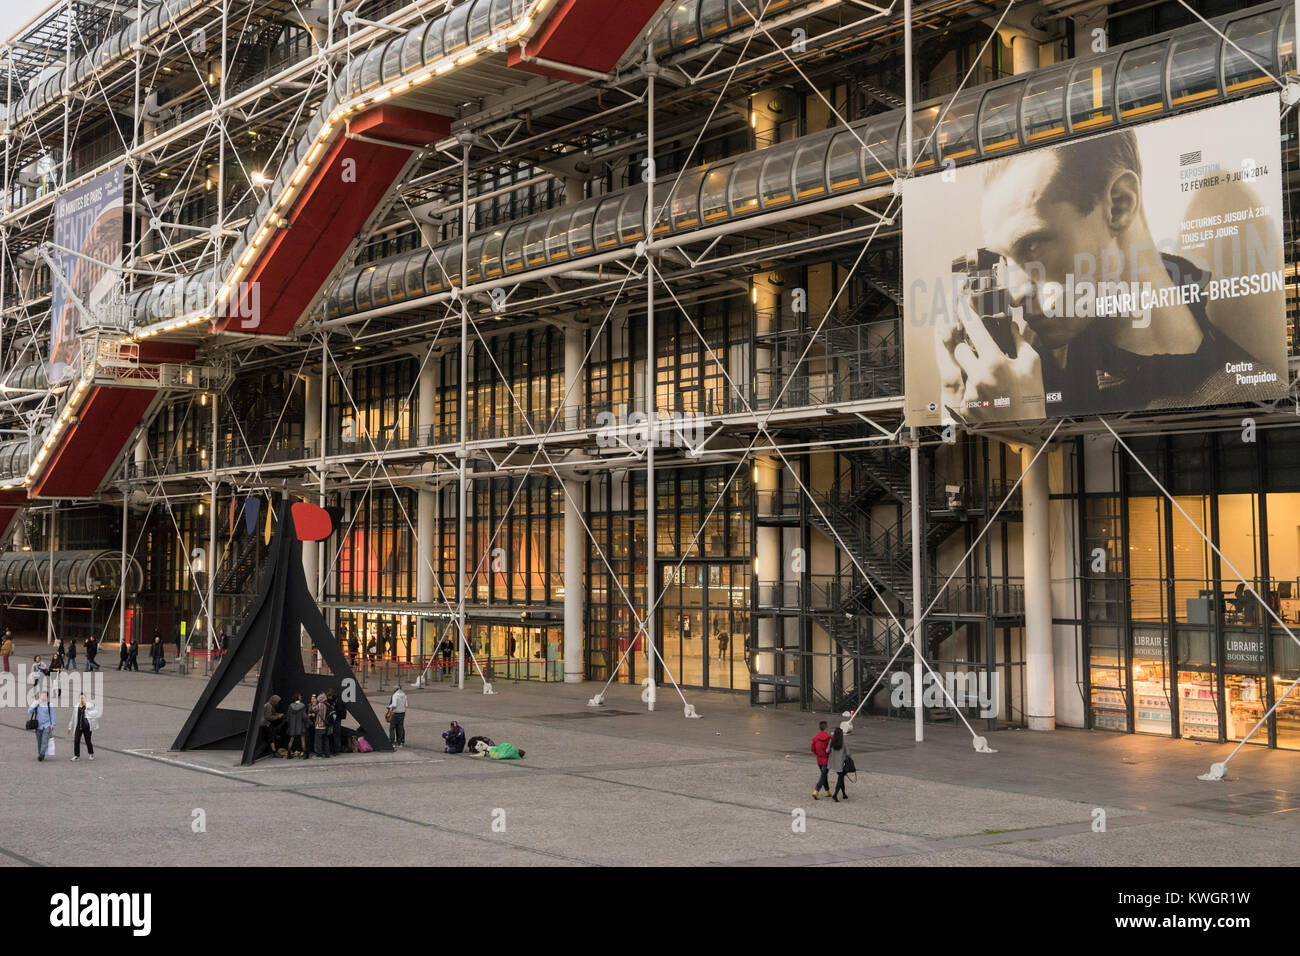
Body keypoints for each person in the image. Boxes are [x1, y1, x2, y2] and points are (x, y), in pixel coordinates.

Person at [936, 129, 1283, 422]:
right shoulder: (1037, 369)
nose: (1013, 293)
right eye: (1003, 258)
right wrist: (953, 388)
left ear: (1119, 204)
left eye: (1032, 246)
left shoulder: (1253, 399)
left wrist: (1029, 429)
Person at [67, 692, 99, 761]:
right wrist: (70, 727)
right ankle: (76, 755)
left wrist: (88, 712)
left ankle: (91, 754)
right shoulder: (76, 707)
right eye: (81, 698)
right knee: (76, 740)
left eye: (83, 698)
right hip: (78, 726)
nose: (82, 699)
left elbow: (96, 713)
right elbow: (73, 717)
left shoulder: (89, 706)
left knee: (88, 740)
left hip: (87, 726)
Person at [27, 691, 55, 761]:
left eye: (44, 696)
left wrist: (53, 725)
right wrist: (35, 705)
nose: (43, 697)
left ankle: (42, 755)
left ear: (47, 697)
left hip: (47, 725)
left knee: (44, 740)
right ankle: (40, 754)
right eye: (42, 696)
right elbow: (29, 711)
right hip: (38, 726)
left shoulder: (49, 705)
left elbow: (52, 715)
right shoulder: (36, 703)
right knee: (39, 741)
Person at [827, 727, 851, 802]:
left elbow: (827, 750)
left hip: (833, 763)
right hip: (841, 764)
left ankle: (844, 794)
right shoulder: (843, 743)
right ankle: (835, 794)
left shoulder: (831, 741)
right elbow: (848, 753)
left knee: (841, 779)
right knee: (840, 779)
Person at [810, 720, 831, 800]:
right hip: (827, 759)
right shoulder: (829, 738)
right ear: (826, 728)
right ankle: (816, 791)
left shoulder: (815, 738)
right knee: (823, 775)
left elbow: (812, 749)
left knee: (824, 775)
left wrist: (818, 754)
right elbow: (830, 749)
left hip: (819, 759)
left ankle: (828, 791)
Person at [286, 692, 308, 758]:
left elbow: (288, 717)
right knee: (303, 739)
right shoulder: (303, 705)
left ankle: (289, 754)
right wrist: (309, 722)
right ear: (298, 697)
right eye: (300, 696)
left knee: (291, 739)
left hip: (293, 726)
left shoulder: (290, 706)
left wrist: (290, 725)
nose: (301, 697)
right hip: (301, 726)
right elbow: (304, 717)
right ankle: (304, 755)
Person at [327, 688, 346, 754]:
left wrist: (333, 712)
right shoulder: (334, 700)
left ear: (332, 695)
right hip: (335, 719)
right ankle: (334, 749)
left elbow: (339, 709)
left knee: (336, 735)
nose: (328, 698)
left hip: (337, 719)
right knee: (334, 735)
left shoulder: (338, 700)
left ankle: (337, 750)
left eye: (329, 696)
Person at [312, 692, 331, 758]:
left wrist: (314, 703)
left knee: (318, 741)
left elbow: (314, 709)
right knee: (326, 740)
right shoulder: (327, 704)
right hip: (326, 725)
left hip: (320, 725)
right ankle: (327, 754)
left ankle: (319, 754)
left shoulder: (320, 704)